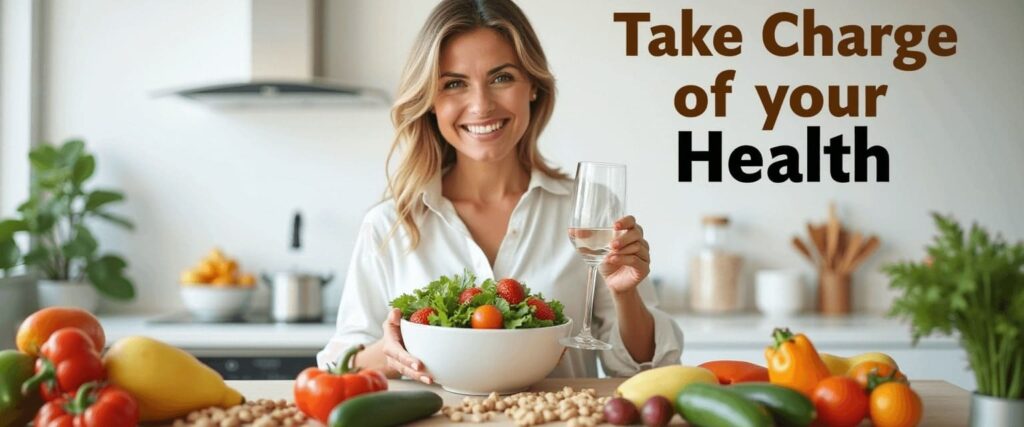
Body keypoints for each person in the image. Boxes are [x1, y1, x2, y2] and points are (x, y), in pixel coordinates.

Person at [317, 0, 683, 382]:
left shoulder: (588, 212)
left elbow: (648, 370)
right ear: (430, 102)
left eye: (501, 78)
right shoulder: (389, 224)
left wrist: (626, 295)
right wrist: (389, 354)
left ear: (533, 88)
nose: (481, 105)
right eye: (454, 84)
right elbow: (338, 367)